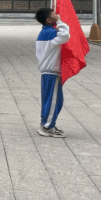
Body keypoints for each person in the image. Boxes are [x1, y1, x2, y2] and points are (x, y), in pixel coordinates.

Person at [35, 8, 71, 138]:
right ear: (48, 20)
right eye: (54, 15)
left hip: (48, 71)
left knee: (53, 100)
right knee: (53, 101)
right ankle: (47, 127)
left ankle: (48, 123)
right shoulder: (51, 33)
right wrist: (60, 21)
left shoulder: (44, 32)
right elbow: (66, 35)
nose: (57, 15)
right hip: (51, 72)